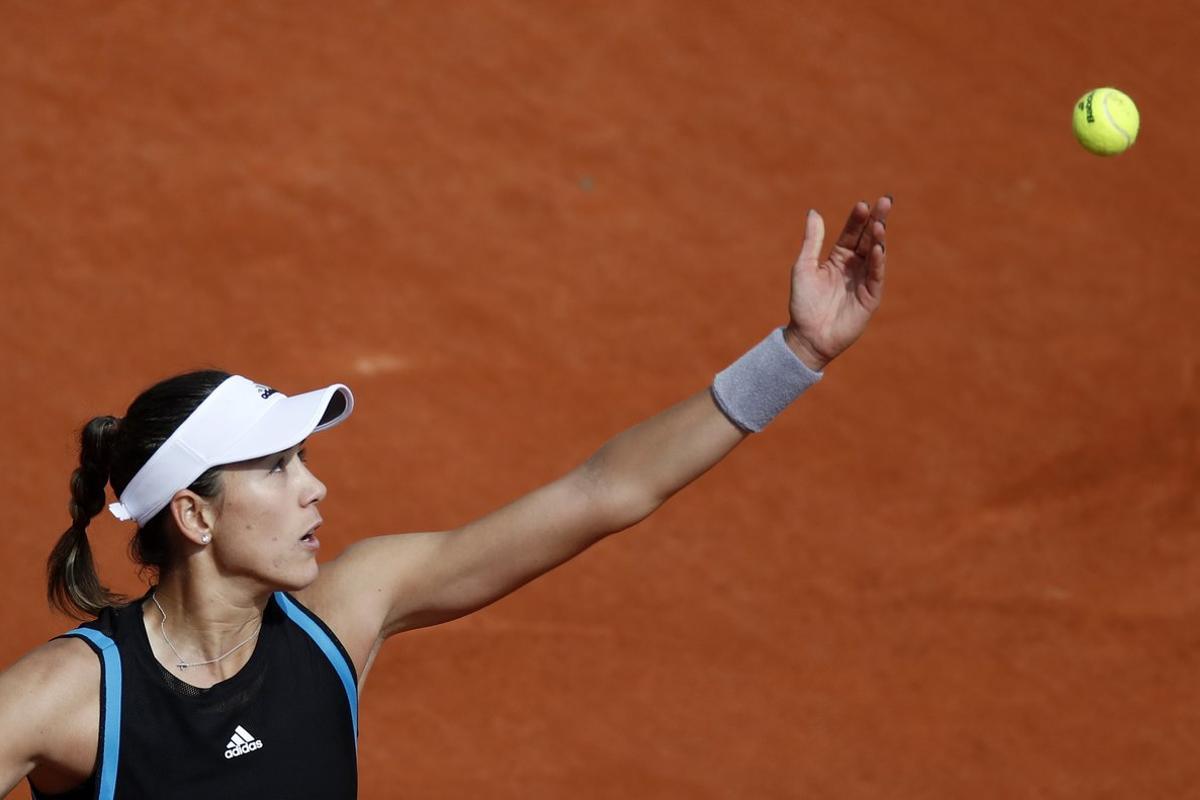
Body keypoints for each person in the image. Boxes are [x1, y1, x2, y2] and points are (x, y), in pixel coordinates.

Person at [0, 196, 891, 799]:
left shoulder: (345, 615)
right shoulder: (74, 698)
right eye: (275, 469)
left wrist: (796, 356)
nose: (316, 488)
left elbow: (604, 491)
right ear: (192, 515)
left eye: (303, 459)